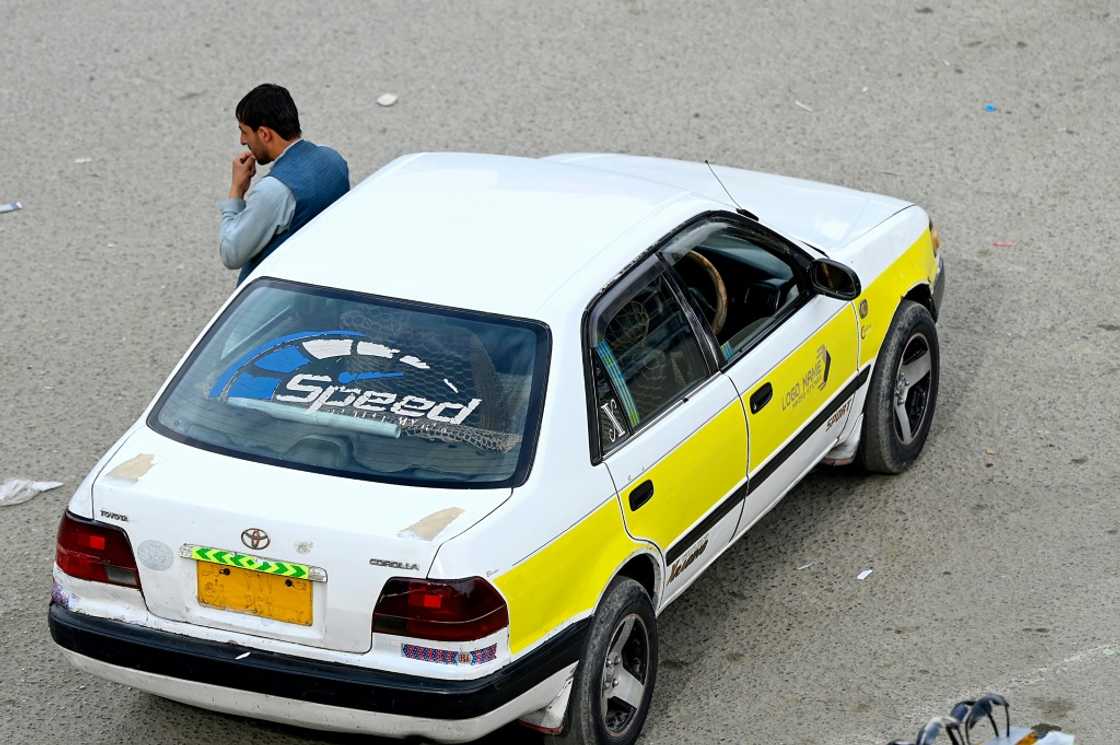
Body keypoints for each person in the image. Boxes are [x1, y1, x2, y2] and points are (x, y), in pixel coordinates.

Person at [218, 84, 350, 284]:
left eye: (245, 132)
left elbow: (231, 253)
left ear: (264, 134)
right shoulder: (333, 159)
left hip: (283, 295)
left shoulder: (273, 191)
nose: (242, 140)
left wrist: (236, 190)